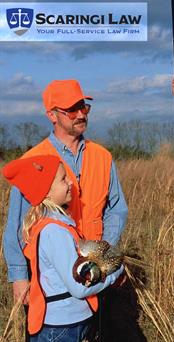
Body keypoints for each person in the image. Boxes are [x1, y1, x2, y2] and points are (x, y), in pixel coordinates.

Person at [3, 79, 128, 339]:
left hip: (94, 273)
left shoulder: (102, 156)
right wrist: (19, 277)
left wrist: (103, 255)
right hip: (51, 284)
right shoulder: (33, 161)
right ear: (51, 115)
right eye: (72, 109)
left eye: (84, 106)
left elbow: (116, 209)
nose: (81, 114)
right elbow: (16, 225)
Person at [2, 154, 124, 341]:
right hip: (62, 328)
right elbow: (79, 288)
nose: (71, 183)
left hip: (69, 323)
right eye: (63, 179)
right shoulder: (54, 232)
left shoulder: (56, 225)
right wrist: (115, 271)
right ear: (46, 192)